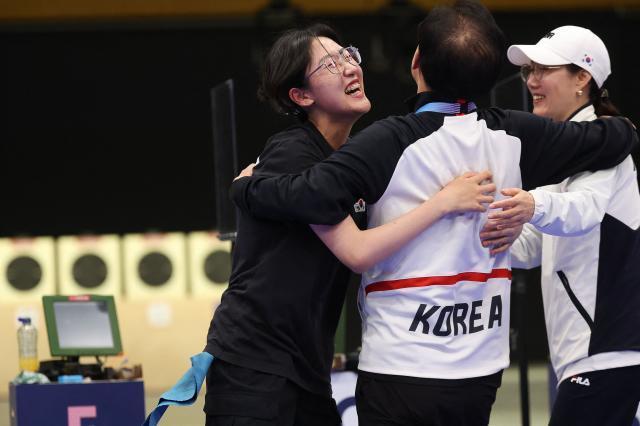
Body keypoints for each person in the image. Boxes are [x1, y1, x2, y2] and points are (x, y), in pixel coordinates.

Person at [229, 2, 638, 425]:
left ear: (416, 62)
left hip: (399, 367)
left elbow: (310, 196)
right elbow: (613, 137)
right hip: (480, 368)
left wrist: (246, 187)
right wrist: (622, 128)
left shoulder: (387, 141)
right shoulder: (514, 135)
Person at [203, 23, 498, 426]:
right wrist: (443, 203)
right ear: (301, 95)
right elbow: (357, 251)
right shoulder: (294, 152)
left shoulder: (352, 163)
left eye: (348, 55)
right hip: (255, 367)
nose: (349, 68)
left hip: (306, 368)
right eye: (329, 63)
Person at [481, 25, 640, 426]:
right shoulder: (572, 148)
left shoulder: (606, 145)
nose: (531, 81)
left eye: (543, 69)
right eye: (528, 71)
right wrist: (480, 231)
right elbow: (532, 245)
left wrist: (530, 203)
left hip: (610, 352)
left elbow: (581, 210)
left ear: (583, 78)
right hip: (590, 354)